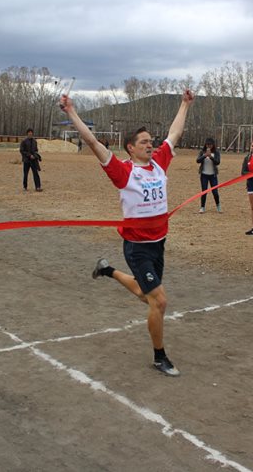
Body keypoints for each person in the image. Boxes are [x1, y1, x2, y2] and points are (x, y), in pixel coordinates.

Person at [59, 89, 195, 377]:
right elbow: (93, 142)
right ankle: (160, 357)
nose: (150, 145)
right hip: (137, 247)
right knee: (159, 300)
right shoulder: (123, 172)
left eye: (151, 141)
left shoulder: (159, 162)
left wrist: (184, 104)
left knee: (146, 296)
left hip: (159, 244)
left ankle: (107, 271)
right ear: (130, 148)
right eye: (144, 142)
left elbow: (174, 133)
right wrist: (71, 112)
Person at [196, 137, 221, 213]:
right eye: (207, 144)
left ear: (213, 145)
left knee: (215, 192)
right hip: (204, 175)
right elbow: (198, 160)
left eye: (210, 144)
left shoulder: (216, 152)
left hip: (213, 175)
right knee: (204, 191)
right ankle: (202, 207)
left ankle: (218, 206)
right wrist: (205, 156)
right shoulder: (202, 152)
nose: (209, 146)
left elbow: (217, 162)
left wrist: (211, 157)